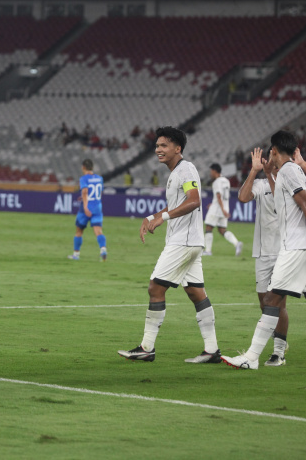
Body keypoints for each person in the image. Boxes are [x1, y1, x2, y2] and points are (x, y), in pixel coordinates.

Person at [222, 131, 306, 371]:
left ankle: (251, 356)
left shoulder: (289, 171)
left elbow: (305, 204)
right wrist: (265, 173)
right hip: (302, 246)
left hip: (296, 246)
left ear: (274, 151)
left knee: (271, 300)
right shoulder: (288, 172)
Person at [118, 126, 221, 364]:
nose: (158, 150)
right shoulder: (177, 172)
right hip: (190, 241)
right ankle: (212, 350)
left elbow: (194, 201)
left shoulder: (186, 170)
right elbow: (178, 203)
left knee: (155, 288)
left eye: (164, 145)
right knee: (195, 292)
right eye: (157, 146)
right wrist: (151, 217)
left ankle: (146, 348)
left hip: (183, 241)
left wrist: (163, 218)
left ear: (177, 148)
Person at [67, 159, 107, 261]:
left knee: (79, 231)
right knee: (98, 231)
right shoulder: (100, 178)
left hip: (86, 208)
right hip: (97, 207)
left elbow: (85, 192)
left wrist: (85, 207)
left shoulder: (83, 179)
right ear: (92, 167)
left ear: (83, 167)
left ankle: (76, 255)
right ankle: (103, 250)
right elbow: (100, 193)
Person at [203, 163, 243, 256]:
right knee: (222, 230)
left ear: (215, 171)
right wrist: (222, 208)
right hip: (225, 207)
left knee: (208, 227)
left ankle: (208, 251)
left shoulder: (216, 182)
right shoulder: (226, 181)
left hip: (217, 209)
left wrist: (220, 208)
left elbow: (219, 195)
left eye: (211, 172)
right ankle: (236, 243)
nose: (210, 174)